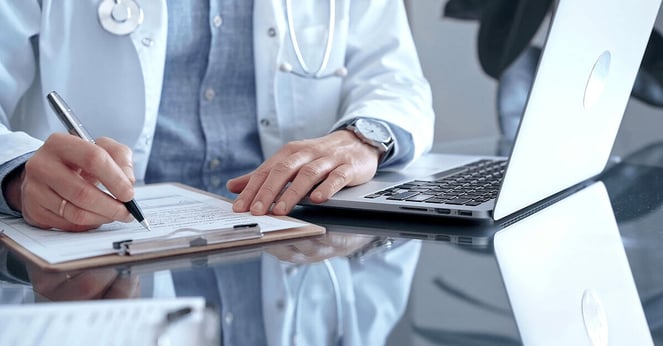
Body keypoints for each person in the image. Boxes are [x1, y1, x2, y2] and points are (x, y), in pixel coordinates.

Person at [0, 1, 434, 231]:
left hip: (296, 240)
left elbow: (394, 76)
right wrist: (18, 174)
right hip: (104, 250)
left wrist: (360, 137)